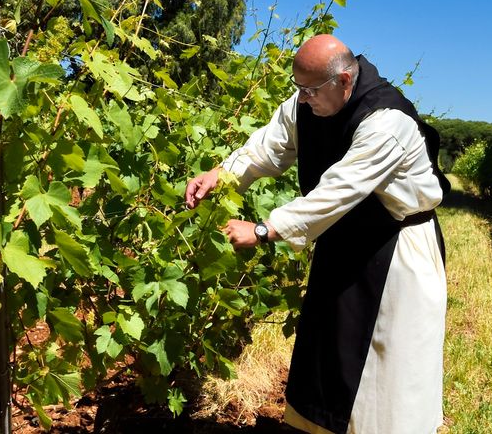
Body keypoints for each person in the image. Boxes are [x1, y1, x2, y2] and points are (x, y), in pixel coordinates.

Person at [185, 34, 447, 434]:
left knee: (383, 372)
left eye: (310, 90)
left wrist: (265, 229)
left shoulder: (387, 121)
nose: (303, 98)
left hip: (394, 253)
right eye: (299, 88)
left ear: (344, 80)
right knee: (327, 355)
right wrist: (221, 175)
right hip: (342, 242)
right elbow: (266, 148)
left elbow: (338, 191)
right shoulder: (307, 101)